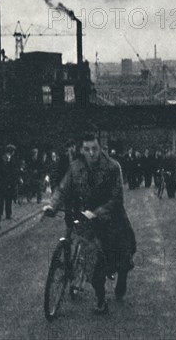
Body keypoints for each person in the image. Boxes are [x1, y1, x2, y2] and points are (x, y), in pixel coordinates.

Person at [43, 133, 137, 315]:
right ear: (81, 150)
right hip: (85, 219)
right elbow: (63, 189)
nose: (91, 153)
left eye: (94, 148)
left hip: (111, 219)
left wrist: (96, 213)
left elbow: (116, 199)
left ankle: (122, 278)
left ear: (100, 148)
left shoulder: (112, 167)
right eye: (87, 149)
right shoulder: (75, 167)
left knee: (121, 255)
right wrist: (52, 205)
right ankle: (101, 299)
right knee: (93, 263)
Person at [1, 144, 19, 220]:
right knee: (3, 199)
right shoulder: (3, 159)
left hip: (10, 182)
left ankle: (8, 214)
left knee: (8, 199)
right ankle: (1, 213)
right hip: (4, 182)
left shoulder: (12, 159)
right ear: (11, 152)